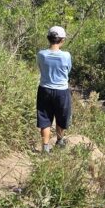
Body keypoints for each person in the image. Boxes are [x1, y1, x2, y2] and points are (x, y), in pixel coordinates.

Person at [36, 25, 72, 153]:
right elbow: (68, 70)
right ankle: (59, 141)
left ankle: (45, 147)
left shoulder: (41, 54)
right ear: (62, 40)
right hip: (61, 91)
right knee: (61, 116)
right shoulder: (66, 55)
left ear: (48, 38)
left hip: (44, 89)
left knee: (44, 118)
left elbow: (41, 69)